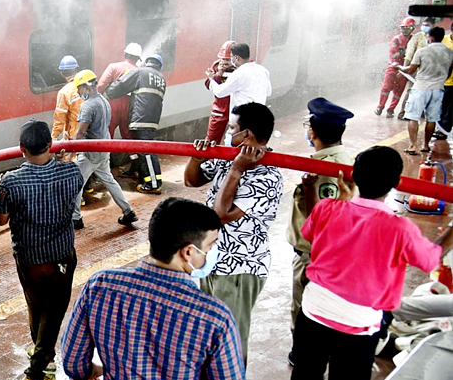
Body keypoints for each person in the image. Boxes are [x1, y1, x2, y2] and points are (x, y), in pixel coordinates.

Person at [290, 146, 453, 380]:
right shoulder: (400, 229)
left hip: (314, 311)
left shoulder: (328, 209)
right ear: (396, 183)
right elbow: (431, 258)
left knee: (305, 373)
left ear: (354, 175)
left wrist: (310, 189)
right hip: (358, 324)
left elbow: (312, 233)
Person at [60, 197, 245, 380]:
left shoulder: (99, 286)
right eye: (211, 245)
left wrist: (92, 371)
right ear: (188, 252)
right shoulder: (214, 317)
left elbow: (73, 363)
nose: (213, 251)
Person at [184, 102, 284, 362]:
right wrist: (197, 157)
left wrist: (237, 169)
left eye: (232, 129)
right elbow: (192, 180)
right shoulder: (230, 157)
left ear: (247, 135)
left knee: (230, 339)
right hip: (213, 261)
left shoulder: (267, 176)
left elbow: (221, 214)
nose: (228, 134)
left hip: (239, 269)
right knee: (208, 330)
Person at [0, 120, 83, 380]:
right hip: (62, 255)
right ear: (51, 145)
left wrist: (2, 193)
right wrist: (62, 162)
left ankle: (43, 360)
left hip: (30, 259)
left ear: (21, 148)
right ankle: (43, 360)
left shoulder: (12, 181)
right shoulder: (72, 173)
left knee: (36, 305)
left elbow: (1, 220)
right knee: (55, 310)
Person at [285, 97, 355, 366]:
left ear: (312, 132)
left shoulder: (325, 170)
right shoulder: (342, 159)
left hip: (313, 256)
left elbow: (323, 220)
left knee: (304, 311)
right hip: (326, 255)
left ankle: (306, 361)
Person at [70, 70, 138, 229]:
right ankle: (128, 211)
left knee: (76, 183)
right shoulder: (104, 101)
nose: (79, 92)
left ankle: (75, 218)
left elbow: (80, 133)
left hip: (89, 153)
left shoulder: (88, 106)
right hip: (104, 149)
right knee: (109, 180)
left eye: (79, 88)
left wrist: (69, 147)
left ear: (86, 87)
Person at [106, 53, 166, 194]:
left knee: (146, 150)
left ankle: (153, 183)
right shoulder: (160, 78)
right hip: (152, 119)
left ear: (147, 62)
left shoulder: (140, 72)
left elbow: (122, 84)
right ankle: (144, 176)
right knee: (145, 149)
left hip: (140, 117)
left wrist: (108, 92)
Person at [396, 26, 453, 155]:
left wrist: (398, 67)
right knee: (431, 119)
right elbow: (449, 71)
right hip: (438, 89)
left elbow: (410, 70)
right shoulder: (450, 52)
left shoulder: (422, 51)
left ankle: (413, 146)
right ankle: (426, 146)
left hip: (420, 88)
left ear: (430, 37)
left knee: (413, 117)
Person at [206, 43, 271, 115]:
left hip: (242, 118)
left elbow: (220, 92)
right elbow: (268, 92)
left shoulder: (238, 74)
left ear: (236, 58)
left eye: (231, 57)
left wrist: (212, 80)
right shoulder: (263, 70)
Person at [97, 42, 142, 139]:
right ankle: (133, 153)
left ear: (125, 54)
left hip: (112, 102)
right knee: (128, 133)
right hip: (130, 104)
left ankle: (106, 152)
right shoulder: (140, 72)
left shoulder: (113, 67)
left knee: (108, 131)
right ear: (138, 59)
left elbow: (101, 85)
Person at [375, 17, 415, 118]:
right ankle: (380, 106)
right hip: (393, 68)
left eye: (407, 28)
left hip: (405, 69)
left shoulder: (414, 39)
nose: (405, 30)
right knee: (386, 88)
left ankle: (391, 109)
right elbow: (393, 56)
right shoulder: (396, 39)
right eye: (403, 28)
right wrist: (400, 68)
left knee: (399, 91)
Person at [397, 17, 434, 119]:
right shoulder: (417, 37)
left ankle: (420, 111)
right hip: (415, 70)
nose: (425, 27)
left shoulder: (434, 37)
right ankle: (403, 112)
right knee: (410, 91)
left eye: (428, 25)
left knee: (425, 92)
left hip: (429, 71)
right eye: (424, 25)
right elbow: (409, 54)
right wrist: (404, 69)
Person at [204, 40, 236, 145]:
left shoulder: (242, 68)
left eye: (227, 59)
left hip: (237, 107)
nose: (224, 62)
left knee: (238, 140)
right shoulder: (216, 65)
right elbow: (208, 84)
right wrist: (219, 74)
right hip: (220, 106)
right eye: (223, 59)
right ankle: (209, 160)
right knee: (211, 140)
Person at [51, 55, 84, 157]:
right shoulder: (85, 86)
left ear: (62, 73)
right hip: (88, 130)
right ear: (76, 70)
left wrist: (54, 136)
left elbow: (59, 118)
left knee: (72, 161)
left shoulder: (64, 92)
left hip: (75, 132)